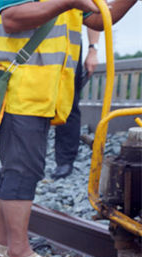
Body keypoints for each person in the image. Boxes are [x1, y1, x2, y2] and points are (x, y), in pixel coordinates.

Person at [0, 0, 136, 257]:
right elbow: (12, 18)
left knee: (14, 169)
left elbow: (101, 19)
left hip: (41, 94)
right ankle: (18, 252)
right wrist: (68, 2)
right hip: (19, 91)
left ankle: (3, 245)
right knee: (23, 170)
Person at [50, 27, 101, 180]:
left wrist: (93, 50)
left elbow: (95, 11)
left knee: (69, 102)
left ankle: (65, 161)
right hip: (34, 44)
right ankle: (27, 160)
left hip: (68, 46)